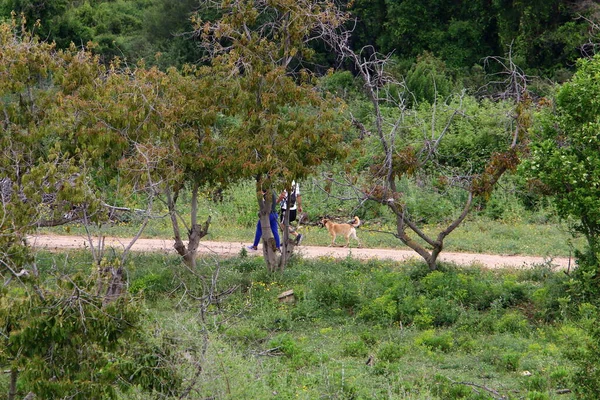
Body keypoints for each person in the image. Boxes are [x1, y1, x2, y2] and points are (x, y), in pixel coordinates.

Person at [277, 180, 303, 245]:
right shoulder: (295, 183)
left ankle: (297, 236)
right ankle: (285, 240)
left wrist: (276, 203)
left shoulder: (286, 182)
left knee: (283, 225)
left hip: (286, 208)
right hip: (293, 208)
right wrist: (299, 206)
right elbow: (298, 195)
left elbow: (282, 195)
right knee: (285, 225)